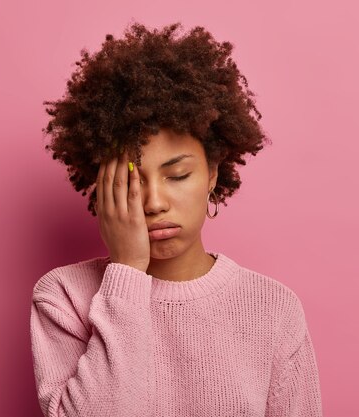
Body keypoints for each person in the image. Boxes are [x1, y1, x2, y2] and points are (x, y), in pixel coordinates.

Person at [30, 21, 323, 417]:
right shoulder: (63, 297)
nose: (153, 202)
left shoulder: (273, 309)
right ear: (101, 184)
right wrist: (128, 270)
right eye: (131, 181)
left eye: (178, 175)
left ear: (213, 173)